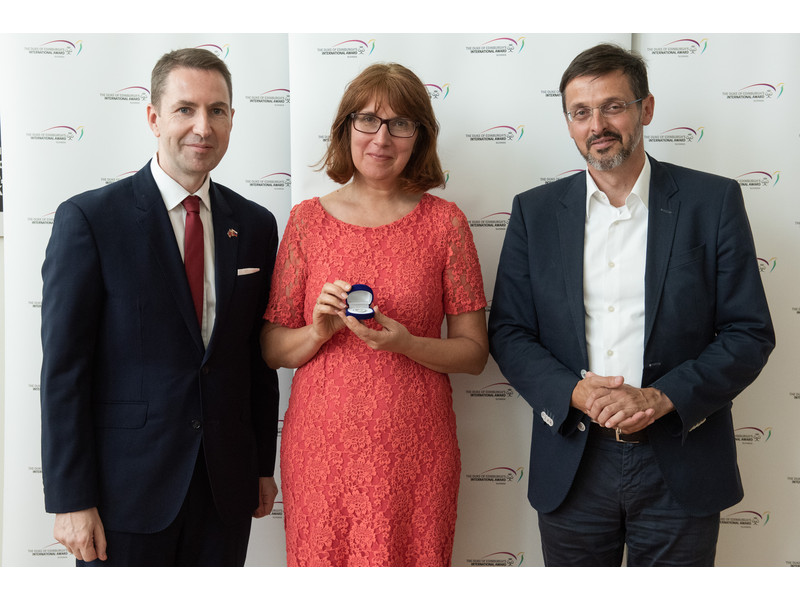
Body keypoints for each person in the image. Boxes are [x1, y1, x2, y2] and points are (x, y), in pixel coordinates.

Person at [488, 43, 775, 566]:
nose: (597, 125)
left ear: (646, 109)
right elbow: (509, 331)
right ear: (569, 123)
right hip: (574, 460)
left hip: (680, 458)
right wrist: (573, 391)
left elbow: (748, 332)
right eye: (581, 112)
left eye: (613, 106)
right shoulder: (535, 213)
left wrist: (661, 398)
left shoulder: (712, 202)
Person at [40, 48, 280, 566]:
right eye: (185, 109)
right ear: (153, 118)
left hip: (225, 489)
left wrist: (263, 464)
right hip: (124, 495)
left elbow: (254, 358)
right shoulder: (90, 220)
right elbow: (64, 371)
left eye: (217, 110)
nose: (203, 127)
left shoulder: (256, 224)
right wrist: (70, 497)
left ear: (232, 119)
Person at [261, 62, 488, 566]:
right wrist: (317, 332)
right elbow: (272, 348)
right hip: (322, 454)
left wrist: (406, 344)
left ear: (419, 136)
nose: (381, 138)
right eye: (367, 119)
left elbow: (474, 354)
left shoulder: (446, 224)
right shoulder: (306, 221)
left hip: (416, 452)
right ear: (346, 128)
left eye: (399, 123)